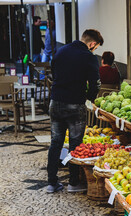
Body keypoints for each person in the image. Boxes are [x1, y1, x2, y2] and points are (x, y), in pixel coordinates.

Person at [47, 29, 104, 193]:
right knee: (75, 144)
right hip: (74, 104)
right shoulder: (88, 57)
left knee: (55, 143)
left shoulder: (61, 51)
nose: (94, 50)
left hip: (55, 102)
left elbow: (54, 73)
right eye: (96, 47)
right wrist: (89, 98)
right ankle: (73, 183)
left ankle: (52, 182)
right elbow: (96, 84)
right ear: (92, 44)